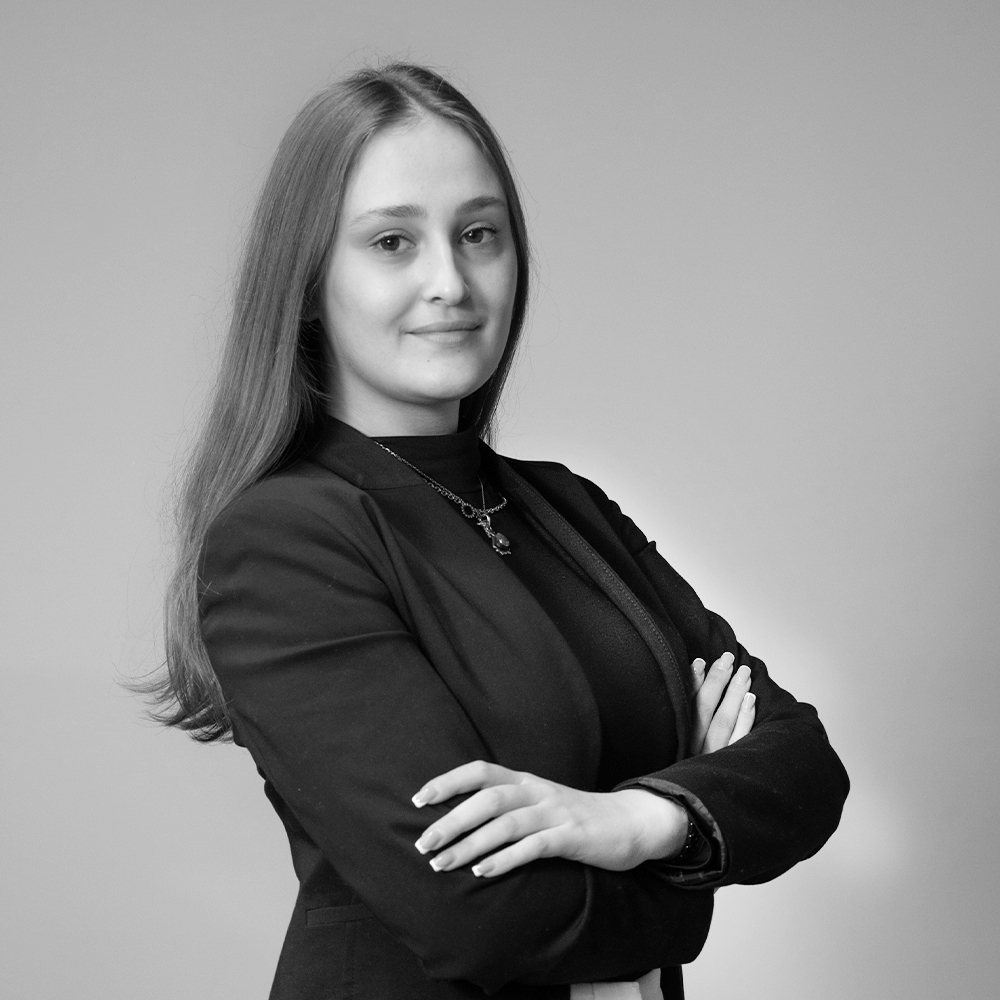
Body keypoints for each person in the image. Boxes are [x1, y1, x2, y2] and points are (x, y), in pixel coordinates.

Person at [148, 63, 849, 999]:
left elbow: (805, 764)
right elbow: (483, 919)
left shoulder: (568, 507)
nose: (450, 281)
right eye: (392, 242)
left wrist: (639, 821)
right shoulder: (284, 540)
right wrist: (693, 873)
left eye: (478, 233)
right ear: (308, 282)